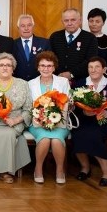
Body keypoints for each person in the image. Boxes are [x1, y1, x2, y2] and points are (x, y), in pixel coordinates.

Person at [0, 52, 32, 184]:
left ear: (13, 68)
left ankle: (5, 170)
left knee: (8, 134)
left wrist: (16, 120)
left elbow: (29, 109)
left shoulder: (23, 84)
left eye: (8, 65)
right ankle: (2, 170)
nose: (5, 68)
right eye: (1, 65)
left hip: (13, 122)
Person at [72, 57, 107, 186]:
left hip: (105, 122)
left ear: (104, 69)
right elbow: (73, 107)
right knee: (77, 135)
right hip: (85, 121)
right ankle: (85, 168)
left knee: (94, 136)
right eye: (90, 67)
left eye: (97, 67)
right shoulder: (80, 84)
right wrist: (84, 112)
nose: (93, 70)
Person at [27, 51, 70, 184]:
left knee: (56, 140)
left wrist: (56, 119)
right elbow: (28, 106)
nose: (46, 68)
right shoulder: (30, 83)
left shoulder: (63, 82)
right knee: (45, 139)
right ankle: (38, 169)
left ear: (54, 67)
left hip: (59, 123)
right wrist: (40, 119)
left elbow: (68, 102)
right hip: (37, 123)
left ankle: (59, 170)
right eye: (43, 65)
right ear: (38, 67)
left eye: (49, 66)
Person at [49, 8, 98, 83]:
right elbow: (50, 58)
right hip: (57, 80)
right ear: (62, 22)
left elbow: (90, 60)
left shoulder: (90, 38)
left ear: (80, 20)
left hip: (81, 83)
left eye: (73, 20)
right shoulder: (55, 36)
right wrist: (60, 75)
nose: (69, 23)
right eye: (66, 20)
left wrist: (71, 74)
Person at [13, 14, 51, 81]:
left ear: (33, 27)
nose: (26, 28)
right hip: (18, 83)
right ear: (18, 28)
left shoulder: (44, 43)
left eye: (29, 25)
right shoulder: (12, 44)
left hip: (39, 82)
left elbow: (50, 63)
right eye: (23, 26)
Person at [87, 8, 107, 80]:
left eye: (97, 21)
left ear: (103, 23)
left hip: (102, 80)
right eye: (91, 21)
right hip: (82, 80)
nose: (94, 24)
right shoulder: (82, 39)